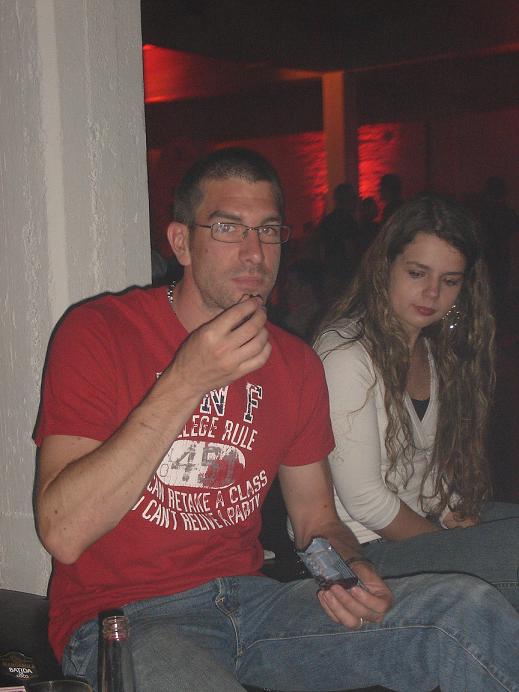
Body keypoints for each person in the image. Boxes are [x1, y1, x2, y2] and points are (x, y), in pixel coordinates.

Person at [34, 150, 519, 692]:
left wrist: (348, 568)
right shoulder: (99, 332)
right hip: (128, 620)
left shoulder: (294, 363)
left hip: (253, 605)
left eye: (268, 230)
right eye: (227, 227)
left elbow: (316, 520)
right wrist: (186, 380)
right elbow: (63, 532)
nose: (254, 252)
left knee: (462, 611)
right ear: (181, 242)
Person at [315, 192, 519, 612]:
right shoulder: (346, 353)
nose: (431, 292)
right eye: (417, 273)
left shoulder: (429, 349)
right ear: (384, 266)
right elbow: (365, 500)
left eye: (450, 281)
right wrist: (451, 544)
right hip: (362, 551)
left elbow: (424, 467)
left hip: (417, 527)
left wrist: (452, 511)